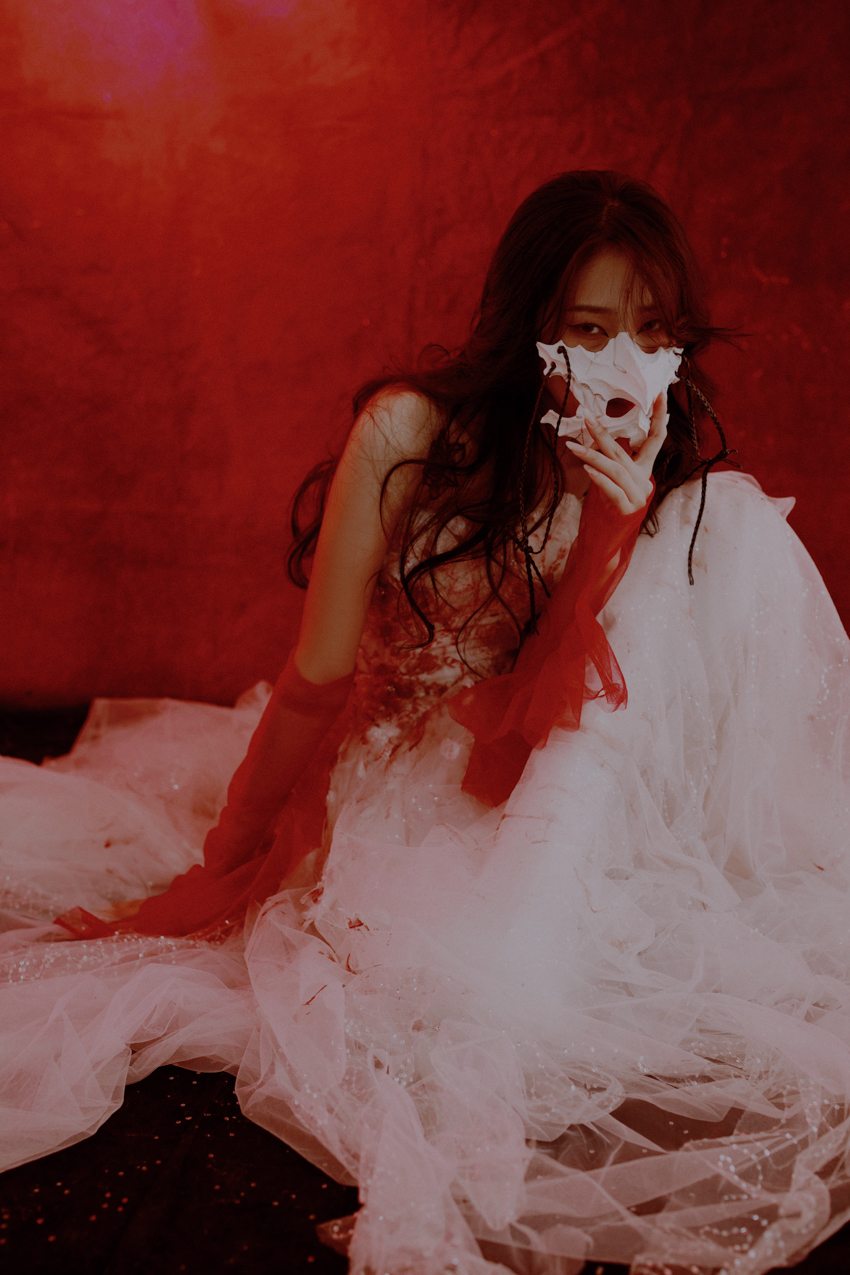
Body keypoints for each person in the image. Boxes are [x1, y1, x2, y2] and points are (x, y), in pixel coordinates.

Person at [1, 171, 849, 1275]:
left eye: (652, 332)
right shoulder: (408, 431)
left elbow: (551, 711)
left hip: (529, 780)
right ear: (531, 323)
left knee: (725, 527)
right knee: (434, 984)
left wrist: (614, 526)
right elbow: (317, 676)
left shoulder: (649, 469)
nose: (624, 360)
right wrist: (227, 859)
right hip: (397, 770)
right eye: (589, 328)